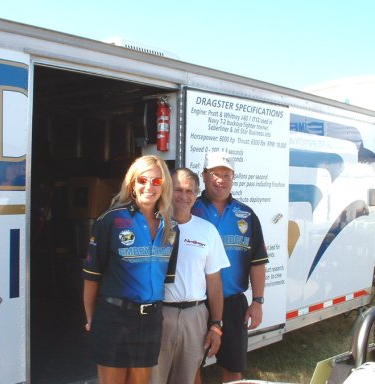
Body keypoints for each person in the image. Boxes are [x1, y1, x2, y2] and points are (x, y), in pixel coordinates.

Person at [82, 155, 178, 384]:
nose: (149, 187)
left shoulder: (171, 227)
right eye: (143, 180)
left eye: (156, 182)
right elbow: (92, 277)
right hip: (114, 317)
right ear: (132, 184)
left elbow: (165, 278)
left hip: (151, 320)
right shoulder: (110, 221)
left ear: (164, 185)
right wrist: (91, 319)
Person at [192, 152, 268, 383]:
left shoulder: (246, 214)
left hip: (233, 304)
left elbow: (258, 261)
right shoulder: (190, 209)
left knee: (233, 369)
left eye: (226, 174)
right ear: (204, 176)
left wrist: (257, 301)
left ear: (233, 178)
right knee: (192, 366)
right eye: (215, 174)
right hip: (196, 305)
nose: (221, 179)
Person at [150, 168, 230, 384]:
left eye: (189, 191)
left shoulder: (207, 231)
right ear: (168, 190)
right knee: (153, 378)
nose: (183, 196)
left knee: (186, 378)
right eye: (177, 189)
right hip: (159, 314)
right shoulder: (153, 226)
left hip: (195, 316)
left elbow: (214, 283)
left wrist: (216, 325)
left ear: (196, 195)